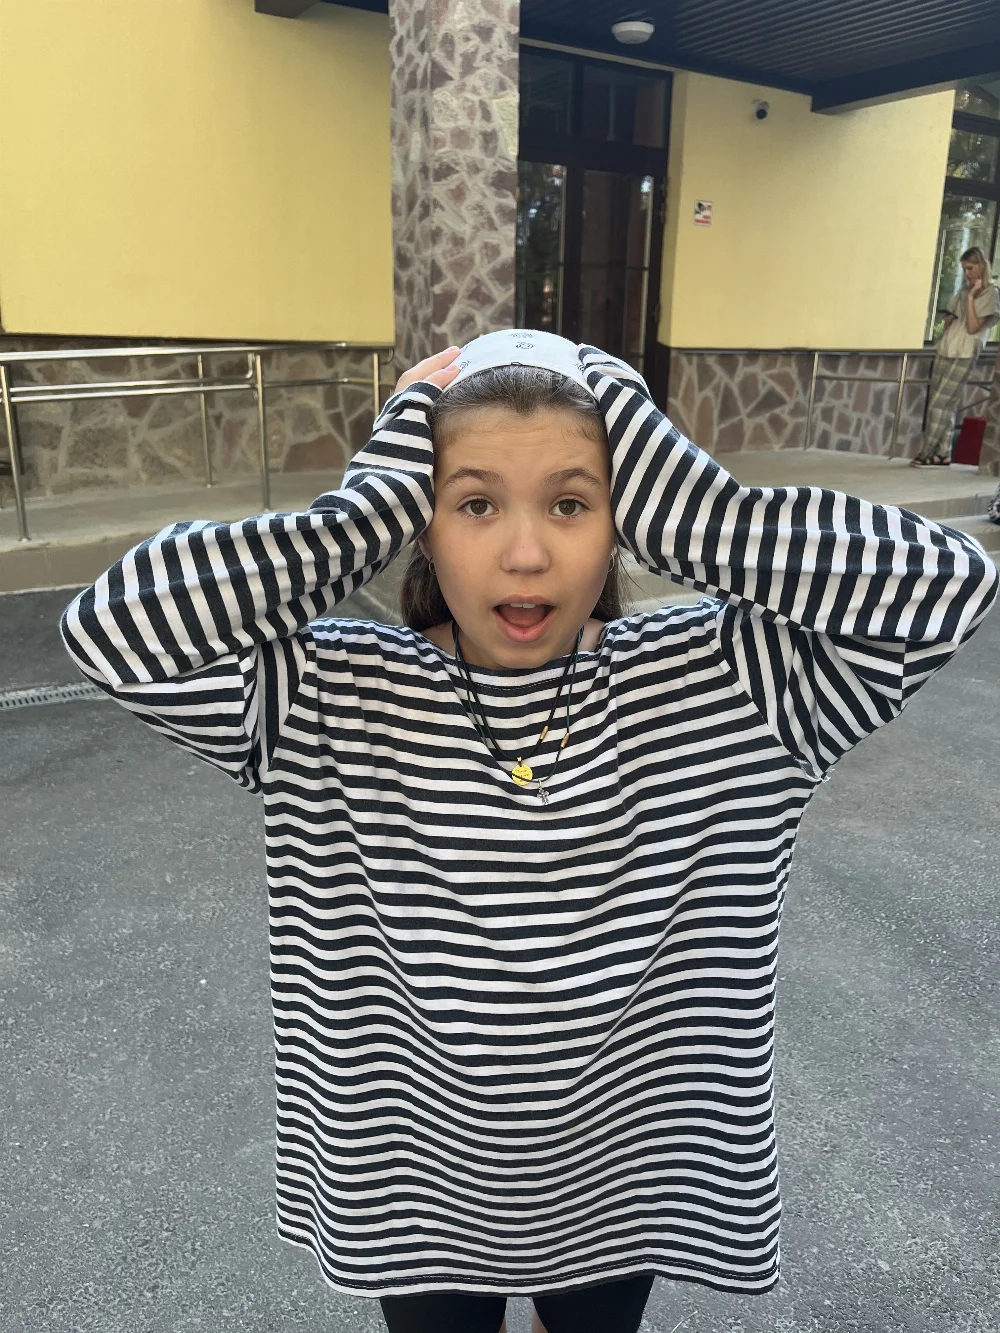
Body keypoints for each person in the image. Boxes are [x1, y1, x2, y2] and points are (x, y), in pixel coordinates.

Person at [61, 331, 998, 1333]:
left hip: (624, 1185)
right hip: (412, 1192)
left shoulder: (728, 685)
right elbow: (114, 631)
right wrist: (362, 514)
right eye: (472, 504)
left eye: (570, 503)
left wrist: (697, 512)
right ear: (420, 524)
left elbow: (950, 588)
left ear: (626, 515)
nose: (524, 552)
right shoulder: (323, 695)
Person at [911, 245, 1000, 466]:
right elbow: (950, 322)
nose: (967, 273)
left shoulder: (991, 293)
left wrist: (970, 298)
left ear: (981, 266)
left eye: (970, 268)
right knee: (944, 405)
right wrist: (948, 318)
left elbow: (973, 327)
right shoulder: (962, 291)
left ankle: (926, 452)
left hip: (965, 353)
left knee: (939, 404)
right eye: (964, 269)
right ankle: (943, 454)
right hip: (946, 348)